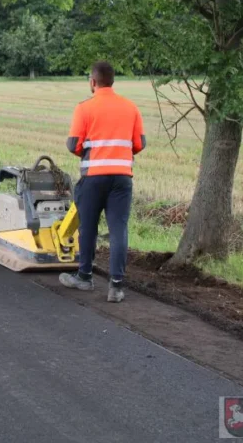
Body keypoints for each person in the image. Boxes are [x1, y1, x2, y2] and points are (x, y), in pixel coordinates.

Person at [59, 61, 145, 303]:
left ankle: (84, 277)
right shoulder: (131, 108)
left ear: (93, 82)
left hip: (94, 178)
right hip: (122, 180)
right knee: (118, 229)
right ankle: (116, 287)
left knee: (88, 227)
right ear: (113, 81)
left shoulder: (84, 108)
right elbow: (139, 144)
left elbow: (72, 144)